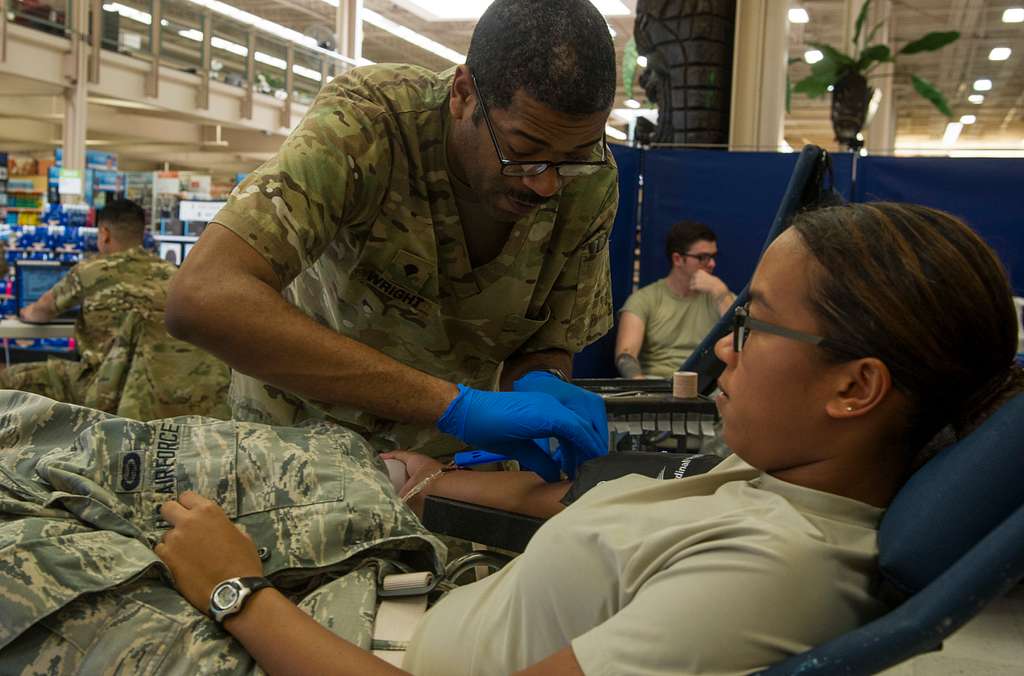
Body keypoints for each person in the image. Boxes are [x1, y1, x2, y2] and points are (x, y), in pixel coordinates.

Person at [4, 202, 1020, 674]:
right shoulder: (760, 476)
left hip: (320, 649)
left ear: (855, 385)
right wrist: (422, 475)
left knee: (26, 562)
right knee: (54, 444)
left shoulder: (775, 569)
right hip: (347, 599)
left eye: (752, 323)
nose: (722, 355)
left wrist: (238, 591)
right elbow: (563, 519)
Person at [164, 0, 617, 477]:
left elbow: (545, 339)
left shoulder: (590, 178)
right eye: (523, 152)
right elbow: (202, 298)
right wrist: (453, 407)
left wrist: (544, 380)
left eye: (573, 157)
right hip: (298, 458)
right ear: (463, 95)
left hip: (454, 469)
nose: (546, 183)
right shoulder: (369, 123)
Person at [0, 199, 229, 418]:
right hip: (165, 390)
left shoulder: (91, 270)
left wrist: (24, 312)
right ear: (141, 234)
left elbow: (39, 313)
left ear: (105, 234)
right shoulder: (173, 274)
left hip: (103, 386)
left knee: (9, 379)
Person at [616, 220, 734, 379]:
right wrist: (641, 388)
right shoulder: (644, 299)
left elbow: (743, 341)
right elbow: (625, 355)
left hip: (707, 390)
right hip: (658, 385)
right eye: (703, 257)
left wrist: (720, 291)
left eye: (713, 256)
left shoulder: (721, 296)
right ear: (678, 259)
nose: (712, 264)